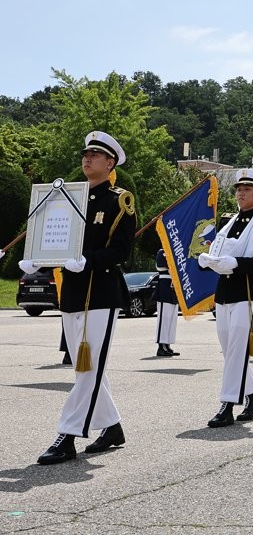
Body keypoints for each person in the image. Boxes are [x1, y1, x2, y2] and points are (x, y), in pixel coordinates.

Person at [21, 131, 136, 465]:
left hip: (100, 292)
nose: (87, 159)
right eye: (85, 154)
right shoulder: (67, 198)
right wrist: (38, 257)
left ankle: (67, 434)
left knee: (88, 368)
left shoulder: (119, 201)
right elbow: (55, 239)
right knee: (87, 368)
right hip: (71, 292)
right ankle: (112, 427)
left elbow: (120, 251)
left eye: (95, 155)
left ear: (110, 163)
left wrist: (89, 260)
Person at [199, 168, 253, 427]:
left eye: (247, 190)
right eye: (239, 189)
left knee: (235, 349)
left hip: (246, 291)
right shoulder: (227, 221)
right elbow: (218, 250)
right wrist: (208, 261)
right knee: (229, 349)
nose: (241, 193)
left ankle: (227, 404)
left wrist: (236, 263)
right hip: (224, 292)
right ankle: (252, 396)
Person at [154, 248, 180, 357]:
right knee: (164, 318)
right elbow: (160, 264)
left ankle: (167, 345)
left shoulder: (176, 251)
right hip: (165, 286)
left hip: (173, 287)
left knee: (172, 319)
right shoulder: (162, 251)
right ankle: (161, 347)